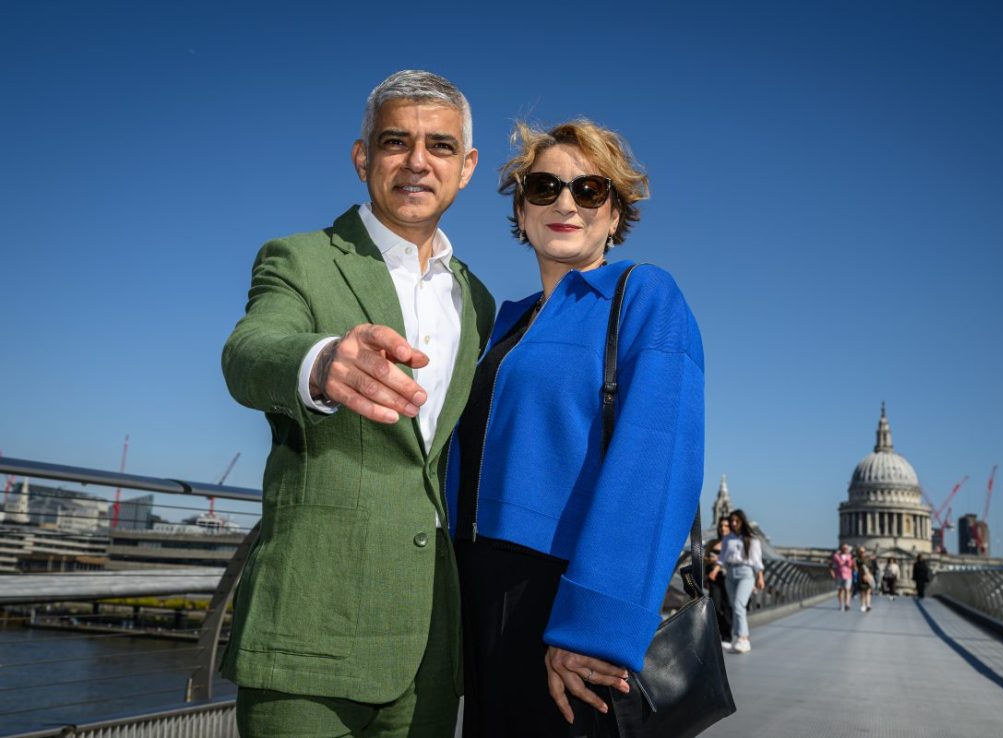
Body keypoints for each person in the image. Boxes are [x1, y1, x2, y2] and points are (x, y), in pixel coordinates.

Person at [220, 70, 495, 738]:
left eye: (439, 146)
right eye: (395, 142)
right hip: (308, 631)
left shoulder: (478, 300)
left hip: (430, 642)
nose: (417, 162)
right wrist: (318, 363)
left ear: (466, 167)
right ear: (362, 157)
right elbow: (248, 351)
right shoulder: (300, 259)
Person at [448, 119, 704, 737]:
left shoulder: (642, 295)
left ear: (614, 215)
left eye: (590, 190)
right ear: (522, 209)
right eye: (544, 187)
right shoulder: (498, 323)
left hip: (563, 595)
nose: (565, 202)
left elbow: (657, 465)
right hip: (475, 593)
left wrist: (591, 629)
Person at [720, 509, 766, 653]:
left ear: (742, 521)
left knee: (739, 604)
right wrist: (715, 567)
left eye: (736, 521)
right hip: (730, 573)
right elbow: (722, 558)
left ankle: (743, 638)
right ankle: (738, 638)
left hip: (746, 573)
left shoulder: (752, 539)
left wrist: (760, 576)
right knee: (734, 605)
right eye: (732, 521)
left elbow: (756, 560)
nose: (733, 524)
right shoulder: (728, 539)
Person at [830, 543, 853, 611]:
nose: (846, 549)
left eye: (847, 548)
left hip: (848, 575)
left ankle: (847, 604)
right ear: (841, 549)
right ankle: (841, 604)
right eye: (844, 548)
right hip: (839, 575)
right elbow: (832, 565)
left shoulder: (850, 556)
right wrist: (832, 573)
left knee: (847, 589)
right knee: (840, 590)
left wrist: (849, 559)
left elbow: (851, 565)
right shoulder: (836, 556)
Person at [855, 545, 875, 612]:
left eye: (863, 551)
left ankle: (868, 605)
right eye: (861, 551)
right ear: (858, 552)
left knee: (868, 591)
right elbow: (856, 568)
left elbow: (871, 568)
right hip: (861, 576)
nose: (862, 552)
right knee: (862, 592)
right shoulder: (857, 560)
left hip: (868, 576)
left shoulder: (868, 559)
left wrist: (870, 575)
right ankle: (863, 605)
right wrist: (863, 575)